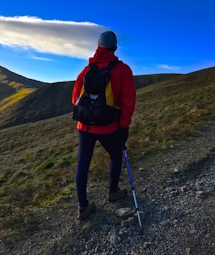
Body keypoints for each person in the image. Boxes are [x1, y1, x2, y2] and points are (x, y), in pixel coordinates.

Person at [72, 30, 136, 220]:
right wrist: (124, 127)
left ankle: (83, 207)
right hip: (110, 127)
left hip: (85, 127)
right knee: (116, 156)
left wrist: (89, 113)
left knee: (82, 164)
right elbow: (128, 102)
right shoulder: (122, 70)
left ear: (98, 47)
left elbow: (75, 97)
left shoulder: (86, 71)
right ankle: (113, 191)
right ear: (115, 47)